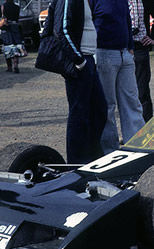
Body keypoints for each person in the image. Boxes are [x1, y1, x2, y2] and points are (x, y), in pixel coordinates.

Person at [41, 0, 108, 163]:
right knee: (79, 114)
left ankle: (93, 157)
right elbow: (61, 30)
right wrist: (78, 59)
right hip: (80, 61)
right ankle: (76, 162)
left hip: (88, 59)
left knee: (99, 110)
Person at [94, 0, 145, 154]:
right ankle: (110, 151)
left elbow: (127, 20)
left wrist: (130, 47)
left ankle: (138, 146)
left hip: (124, 54)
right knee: (107, 106)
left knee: (132, 102)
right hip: (103, 53)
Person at [129, 0, 154, 122]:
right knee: (123, 93)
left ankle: (146, 127)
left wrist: (153, 38)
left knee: (142, 90)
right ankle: (130, 131)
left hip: (139, 48)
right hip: (121, 48)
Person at [0, 0, 25, 73]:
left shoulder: (2, 6)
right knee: (16, 46)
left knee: (7, 46)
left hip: (5, 28)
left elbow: (0, 18)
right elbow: (17, 18)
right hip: (15, 27)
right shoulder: (17, 7)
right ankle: (16, 64)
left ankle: (9, 67)